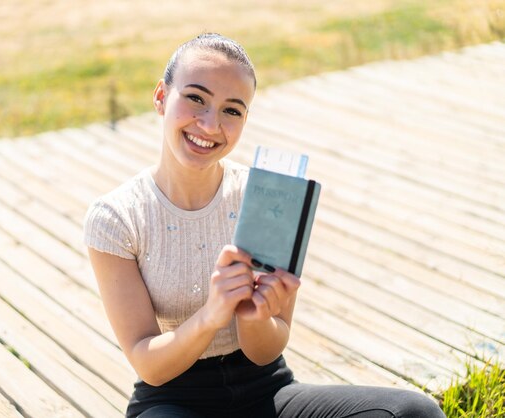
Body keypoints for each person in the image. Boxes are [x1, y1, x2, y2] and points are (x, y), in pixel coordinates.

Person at [84, 33, 445, 418]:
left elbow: (268, 349)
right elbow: (148, 365)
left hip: (267, 391)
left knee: (414, 412)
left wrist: (253, 316)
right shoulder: (116, 218)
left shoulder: (270, 198)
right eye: (196, 98)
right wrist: (211, 314)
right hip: (172, 401)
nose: (209, 124)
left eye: (232, 110)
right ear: (161, 97)